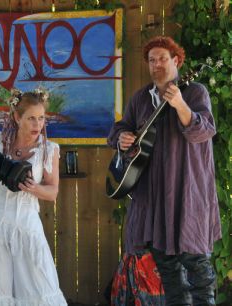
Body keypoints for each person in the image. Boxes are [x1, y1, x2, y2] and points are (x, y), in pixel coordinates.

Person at [108, 36, 221, 305]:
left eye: (162, 58)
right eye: (151, 60)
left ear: (176, 61)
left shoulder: (195, 93)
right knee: (169, 274)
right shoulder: (140, 98)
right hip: (153, 197)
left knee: (197, 269)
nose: (157, 64)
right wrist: (122, 137)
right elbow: (119, 129)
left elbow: (203, 131)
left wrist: (180, 104)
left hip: (186, 193)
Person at [0, 89, 67, 305]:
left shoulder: (49, 149)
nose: (37, 125)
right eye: (31, 118)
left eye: (41, 118)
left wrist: (33, 188)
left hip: (26, 225)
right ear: (17, 117)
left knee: (40, 286)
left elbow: (53, 192)